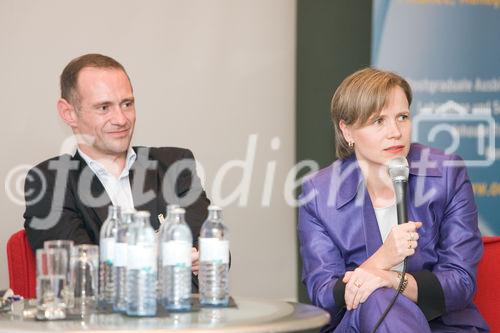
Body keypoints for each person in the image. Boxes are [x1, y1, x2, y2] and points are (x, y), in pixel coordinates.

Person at [298, 68, 489, 332]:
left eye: (402, 117)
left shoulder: (447, 174)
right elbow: (323, 294)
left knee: (382, 293)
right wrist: (383, 258)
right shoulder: (318, 194)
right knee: (378, 299)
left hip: (442, 325)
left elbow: (461, 282)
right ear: (347, 131)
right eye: (378, 121)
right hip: (360, 325)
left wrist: (391, 280)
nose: (395, 132)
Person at [23, 54, 210, 280]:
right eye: (104, 107)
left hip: (182, 313)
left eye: (127, 104)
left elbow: (213, 251)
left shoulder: (174, 165)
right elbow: (80, 272)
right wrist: (162, 258)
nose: (121, 119)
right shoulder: (49, 182)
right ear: (69, 113)